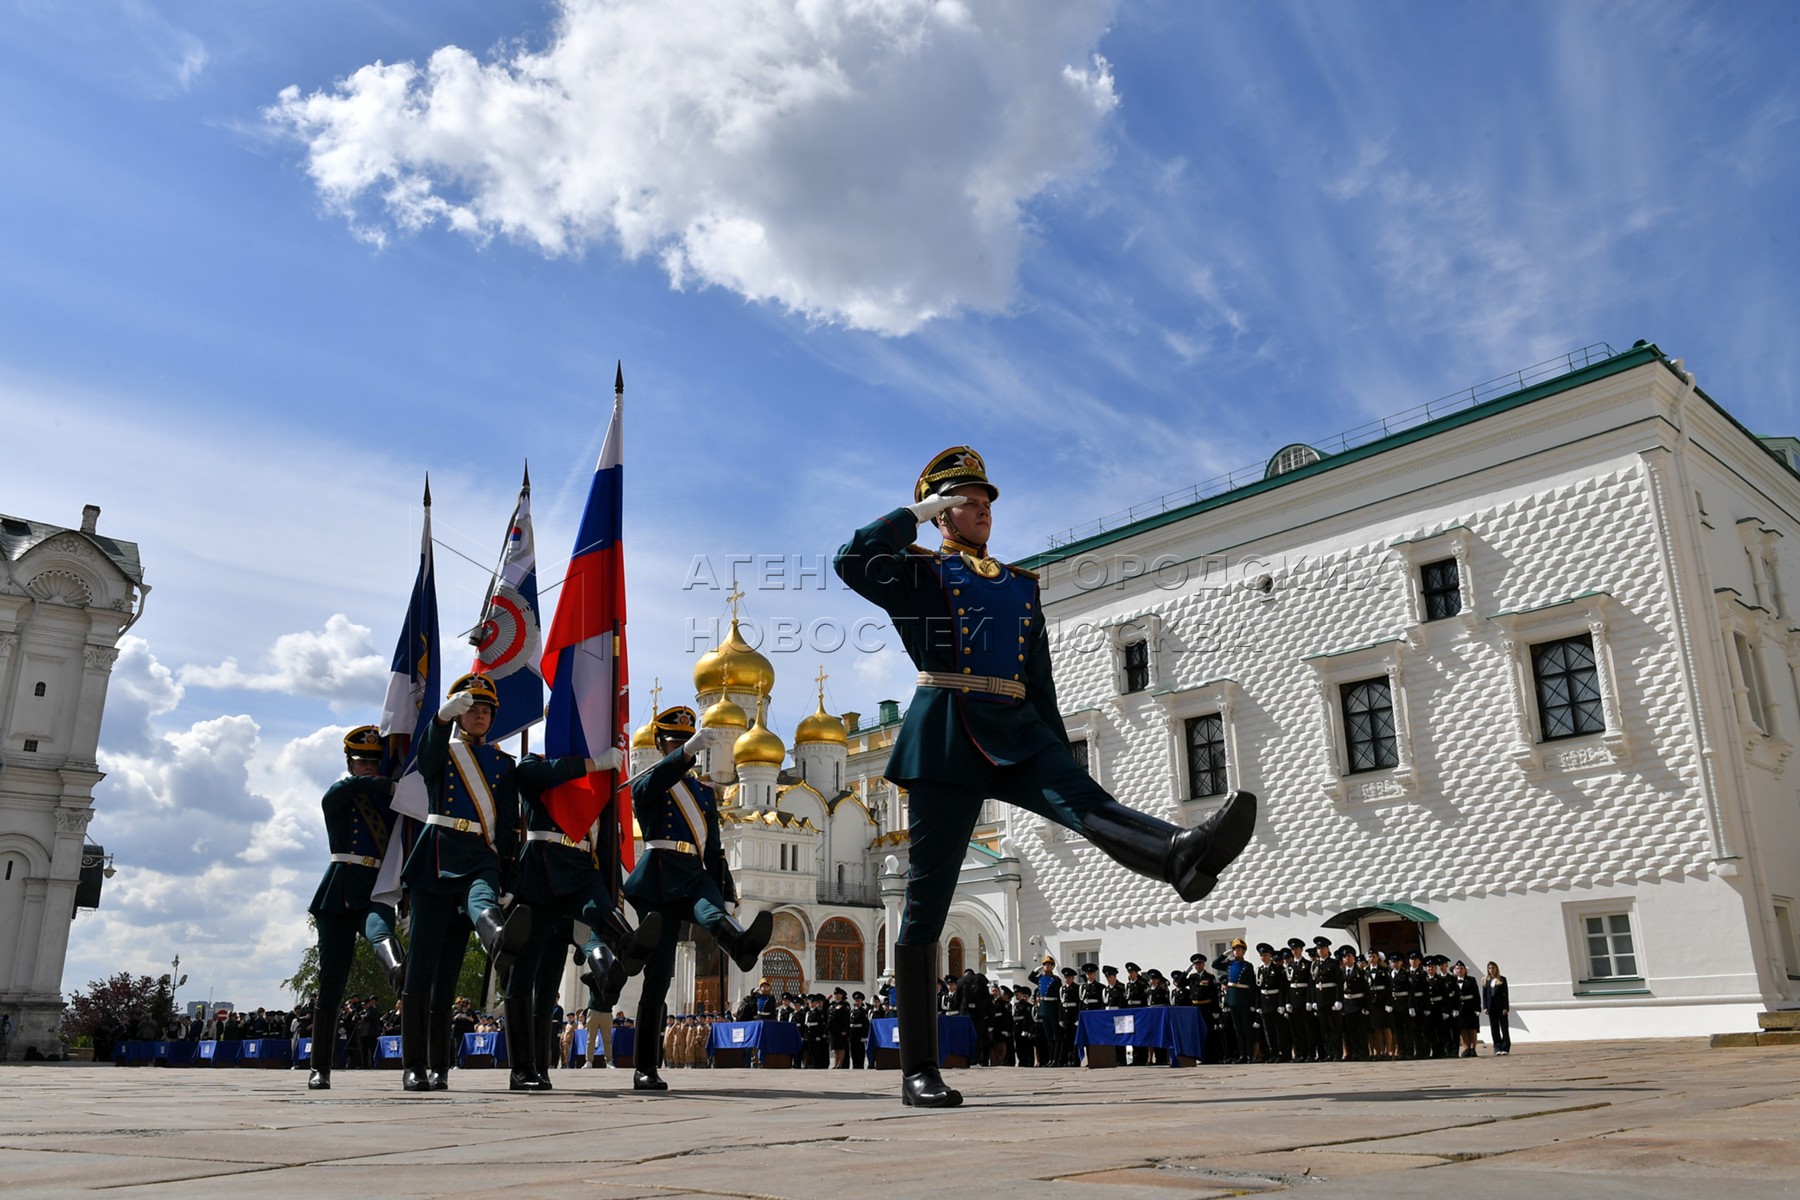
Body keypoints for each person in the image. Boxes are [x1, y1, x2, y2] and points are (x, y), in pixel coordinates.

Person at [834, 446, 1258, 1107]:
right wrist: (911, 516)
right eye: (967, 503)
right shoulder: (919, 572)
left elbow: (1041, 681)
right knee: (926, 900)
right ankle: (920, 1068)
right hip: (947, 728)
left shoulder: (1021, 584)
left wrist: (1055, 754)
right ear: (943, 512)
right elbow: (851, 562)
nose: (982, 512)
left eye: (986, 503)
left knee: (1088, 802)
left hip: (1017, 725)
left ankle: (1177, 855)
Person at [398, 673, 540, 1093]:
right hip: (438, 854)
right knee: (425, 971)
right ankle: (419, 1065)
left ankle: (498, 936)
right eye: (473, 710)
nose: (479, 716)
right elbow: (425, 759)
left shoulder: (503, 763)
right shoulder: (445, 750)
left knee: (481, 900)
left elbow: (510, 823)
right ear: (461, 714)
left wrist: (510, 875)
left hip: (481, 854)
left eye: (486, 711)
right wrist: (441, 719)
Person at [625, 704, 773, 1091]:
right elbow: (649, 788)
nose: (680, 745)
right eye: (674, 740)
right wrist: (685, 752)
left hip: (694, 871)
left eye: (686, 740)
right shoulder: (648, 779)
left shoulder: (704, 792)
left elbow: (715, 847)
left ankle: (739, 944)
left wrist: (726, 892)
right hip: (659, 873)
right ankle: (645, 1067)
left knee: (710, 911)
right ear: (661, 745)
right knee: (658, 978)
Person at [508, 735, 660, 1092]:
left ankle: (627, 944)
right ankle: (523, 1068)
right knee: (529, 978)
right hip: (540, 870)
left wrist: (614, 890)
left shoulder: (602, 778)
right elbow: (530, 780)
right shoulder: (536, 762)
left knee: (594, 914)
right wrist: (591, 764)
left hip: (579, 867)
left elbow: (606, 840)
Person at [305, 725, 407, 1090]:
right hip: (339, 888)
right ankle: (320, 1067)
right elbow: (342, 792)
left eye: (374, 763)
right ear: (350, 764)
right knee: (331, 980)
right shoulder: (342, 794)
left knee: (381, 929)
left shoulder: (389, 801)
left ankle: (398, 970)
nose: (368, 768)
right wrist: (384, 784)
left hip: (377, 885)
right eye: (362, 762)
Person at [1222, 939, 1256, 1063]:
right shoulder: (1229, 964)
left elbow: (1252, 984)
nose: (1237, 952)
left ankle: (1249, 1055)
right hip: (1233, 999)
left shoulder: (1247, 965)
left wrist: (1253, 1003)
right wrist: (1224, 955)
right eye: (1235, 949)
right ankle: (1242, 1055)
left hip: (1244, 999)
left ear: (1243, 951)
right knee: (1238, 1029)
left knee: (1247, 1029)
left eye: (1239, 950)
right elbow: (1215, 964)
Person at [1452, 961, 1482, 1057]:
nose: (1459, 970)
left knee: (1472, 1029)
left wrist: (1478, 1008)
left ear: (1465, 970)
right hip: (1460, 1008)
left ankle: (1473, 1048)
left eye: (1461, 968)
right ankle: (1466, 1049)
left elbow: (1476, 995)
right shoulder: (1453, 981)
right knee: (1463, 1029)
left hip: (1470, 1007)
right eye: (1457, 968)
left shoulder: (1471, 980)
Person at [1483, 960, 1511, 1056]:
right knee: (1494, 1028)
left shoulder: (1502, 979)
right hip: (1492, 1007)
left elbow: (1505, 994)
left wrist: (1505, 1007)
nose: (1492, 970)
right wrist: (1485, 1007)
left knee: (1504, 1027)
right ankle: (1497, 1046)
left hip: (1501, 1007)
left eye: (1493, 968)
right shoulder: (1486, 980)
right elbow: (1485, 995)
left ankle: (1505, 1046)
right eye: (1490, 968)